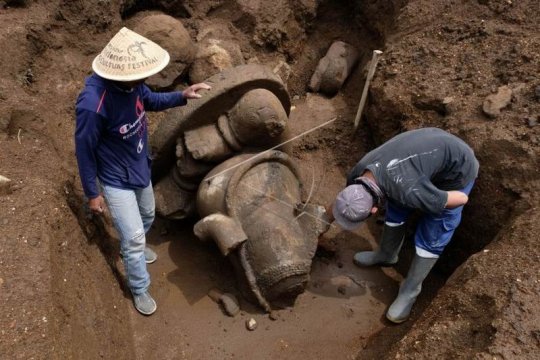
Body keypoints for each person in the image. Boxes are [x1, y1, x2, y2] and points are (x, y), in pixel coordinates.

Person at [74, 27, 211, 315]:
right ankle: (139, 286)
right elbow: (84, 150)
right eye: (141, 76)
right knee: (135, 237)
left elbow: (149, 100)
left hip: (138, 166)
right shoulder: (93, 105)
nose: (145, 79)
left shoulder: (131, 85)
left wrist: (182, 95)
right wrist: (92, 193)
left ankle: (132, 248)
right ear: (119, 73)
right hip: (115, 179)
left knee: (148, 213)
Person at [327, 127, 479, 323]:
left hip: (457, 170)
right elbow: (344, 201)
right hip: (420, 157)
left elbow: (459, 199)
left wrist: (440, 200)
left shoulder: (408, 190)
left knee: (434, 230)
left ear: (374, 211)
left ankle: (410, 291)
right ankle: (387, 255)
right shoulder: (359, 172)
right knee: (397, 206)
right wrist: (321, 224)